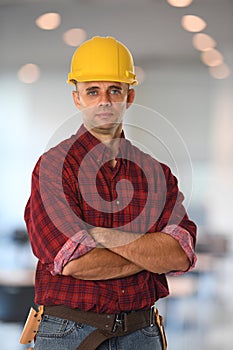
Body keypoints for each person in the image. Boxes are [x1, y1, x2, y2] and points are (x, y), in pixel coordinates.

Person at [24, 36, 197, 350]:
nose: (104, 101)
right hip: (69, 332)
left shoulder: (157, 174)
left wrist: (104, 235)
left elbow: (179, 254)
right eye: (93, 91)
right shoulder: (53, 168)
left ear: (129, 96)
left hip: (142, 332)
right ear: (77, 98)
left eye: (114, 90)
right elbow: (73, 261)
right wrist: (149, 255)